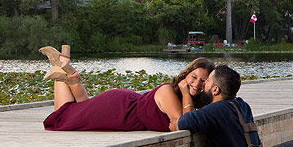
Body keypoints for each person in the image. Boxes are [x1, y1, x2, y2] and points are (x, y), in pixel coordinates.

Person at [40, 45, 215, 132]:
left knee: (81, 110)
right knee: (64, 118)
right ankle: (63, 69)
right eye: (194, 77)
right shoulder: (168, 91)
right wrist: (185, 92)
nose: (197, 83)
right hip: (120, 110)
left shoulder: (197, 101)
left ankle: (68, 72)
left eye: (203, 80)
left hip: (123, 111)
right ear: (186, 75)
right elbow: (183, 125)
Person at [171, 64, 274, 147]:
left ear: (215, 90)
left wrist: (185, 93)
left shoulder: (213, 111)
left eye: (207, 81)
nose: (203, 86)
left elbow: (180, 123)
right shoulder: (242, 105)